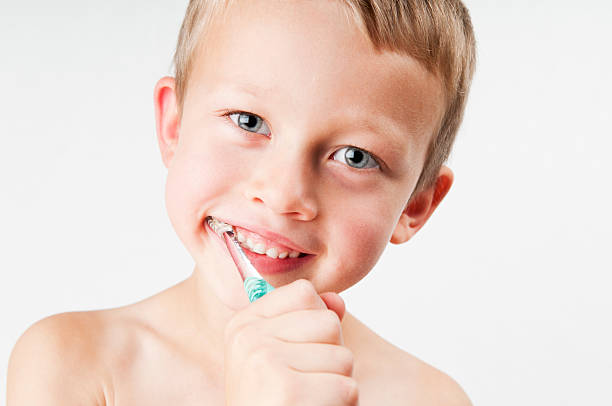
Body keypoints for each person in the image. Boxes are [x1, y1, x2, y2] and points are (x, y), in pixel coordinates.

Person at [7, 0, 476, 404]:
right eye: (249, 122)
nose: (283, 194)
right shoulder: (72, 366)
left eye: (355, 157)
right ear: (175, 126)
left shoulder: (429, 399)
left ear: (416, 204)